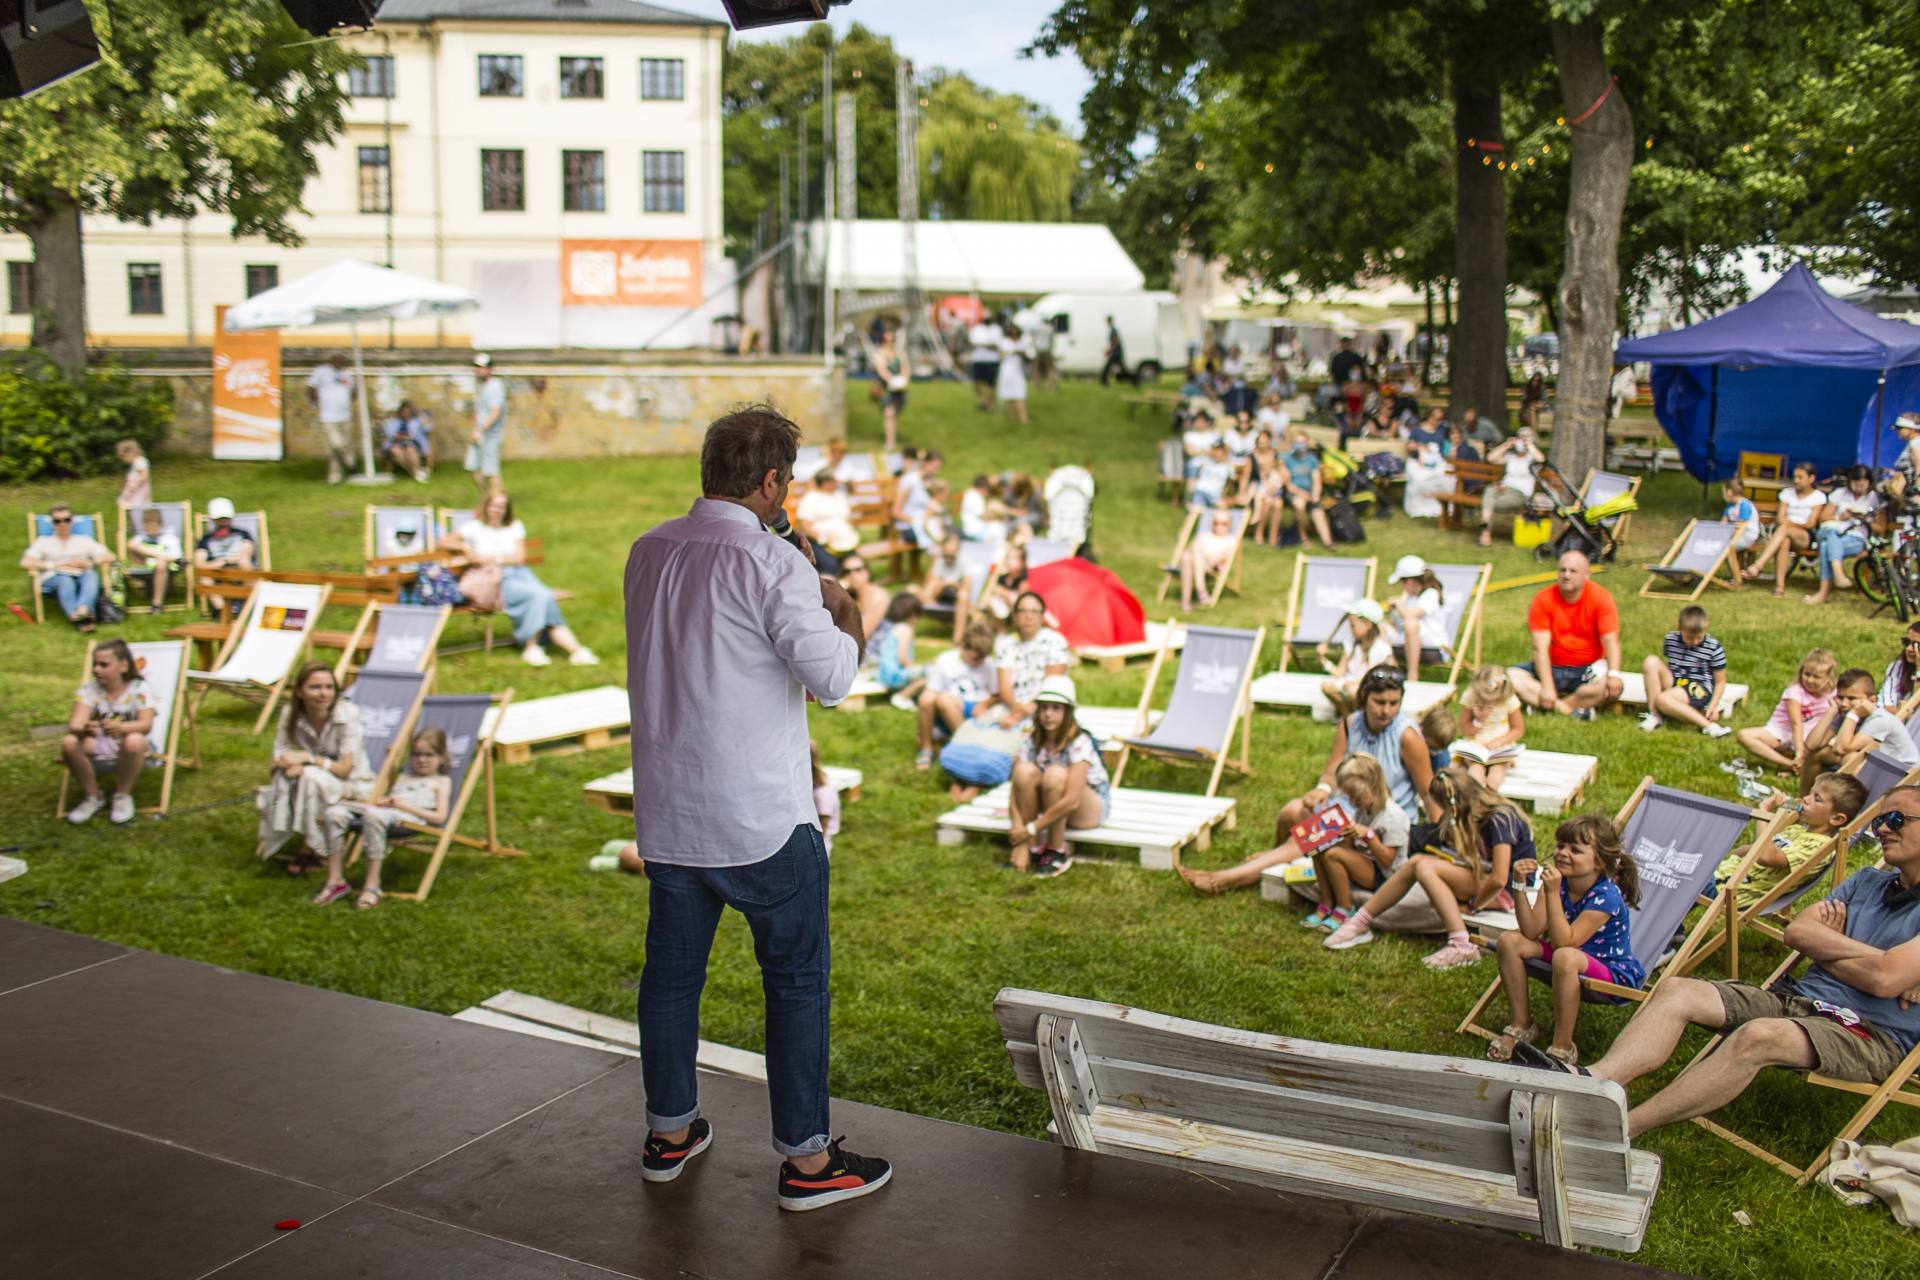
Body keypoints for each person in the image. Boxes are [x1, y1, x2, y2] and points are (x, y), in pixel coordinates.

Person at [621, 403, 889, 1210]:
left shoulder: (648, 550)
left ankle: (670, 1132)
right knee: (797, 983)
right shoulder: (778, 567)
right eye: (787, 482)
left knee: (670, 981)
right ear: (771, 482)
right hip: (761, 819)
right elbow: (836, 678)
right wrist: (836, 601)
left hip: (670, 810)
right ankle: (809, 1164)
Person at [1557, 785, 1920, 1139]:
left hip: (1867, 1032)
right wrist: (1874, 958)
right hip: (1794, 1000)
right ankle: (1592, 1082)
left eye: (1896, 819)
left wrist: (1833, 950)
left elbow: (1883, 981)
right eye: (1880, 821)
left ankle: (1619, 1130)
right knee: (1676, 989)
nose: (1883, 828)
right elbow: (1798, 933)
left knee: (1759, 1035)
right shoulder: (1867, 881)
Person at [1324, 765, 1534, 967]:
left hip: (1510, 891)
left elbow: (1499, 878)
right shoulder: (1475, 816)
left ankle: (1462, 945)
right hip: (1486, 880)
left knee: (1425, 867)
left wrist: (1473, 905)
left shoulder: (1500, 819)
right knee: (1417, 862)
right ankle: (1360, 921)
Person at [1487, 814, 1643, 1067]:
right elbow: (1530, 930)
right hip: (1568, 957)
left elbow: (1564, 943)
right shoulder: (1558, 883)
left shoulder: (1606, 896)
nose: (1562, 853)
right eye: (1560, 846)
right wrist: (1519, 884)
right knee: (1509, 941)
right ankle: (1521, 1025)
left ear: (1599, 862)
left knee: (1564, 956)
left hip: (1609, 971)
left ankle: (1563, 1045)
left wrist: (1550, 893)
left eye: (1575, 850)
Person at [1274, 667, 1439, 846]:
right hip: (1347, 809)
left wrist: (1438, 836)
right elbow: (1332, 771)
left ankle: (1273, 862)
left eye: (1394, 703)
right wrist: (1323, 788)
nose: (1386, 710)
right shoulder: (1350, 724)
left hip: (1384, 822)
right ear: (1364, 698)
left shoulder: (1408, 736)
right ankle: (1277, 868)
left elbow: (1427, 792)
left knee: (1318, 838)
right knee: (1290, 813)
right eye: (1379, 702)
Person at [441, 492, 598, 668]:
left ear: (507, 509)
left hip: (520, 573)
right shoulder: (473, 527)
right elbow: (445, 542)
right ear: (486, 506)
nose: (497, 510)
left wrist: (490, 558)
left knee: (544, 596)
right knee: (540, 596)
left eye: (501, 507)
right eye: (494, 506)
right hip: (495, 579)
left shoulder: (514, 526)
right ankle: (535, 647)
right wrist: (465, 547)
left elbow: (519, 557)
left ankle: (572, 651)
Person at [315, 727, 452, 910]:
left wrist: (403, 806)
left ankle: (372, 887)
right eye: (416, 754)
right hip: (386, 813)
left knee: (373, 816)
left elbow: (440, 817)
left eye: (429, 754)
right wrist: (384, 801)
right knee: (334, 813)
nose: (422, 760)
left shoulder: (441, 781)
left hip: (409, 819)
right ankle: (335, 881)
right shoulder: (403, 776)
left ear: (442, 757)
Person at [258, 662, 374, 875]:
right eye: (315, 687)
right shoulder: (290, 714)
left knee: (309, 777)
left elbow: (345, 769)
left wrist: (308, 759)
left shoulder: (346, 714)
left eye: (329, 687)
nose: (323, 694)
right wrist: (288, 765)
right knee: (294, 777)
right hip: (315, 778)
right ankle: (309, 846)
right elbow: (277, 758)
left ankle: (312, 849)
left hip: (352, 783)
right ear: (300, 692)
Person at [1713, 775, 1873, 916]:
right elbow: (1756, 849)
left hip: (1737, 891)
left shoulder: (1819, 848)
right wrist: (1729, 856)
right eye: (1810, 793)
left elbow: (1765, 856)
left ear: (1837, 819)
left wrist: (1765, 814)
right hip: (1727, 874)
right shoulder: (1797, 829)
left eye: (1817, 799)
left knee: (1690, 879)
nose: (1806, 799)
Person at [1008, 675, 1110, 878]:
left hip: (1086, 807)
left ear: (1068, 712)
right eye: (1044, 707)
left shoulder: (1080, 742)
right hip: (1050, 805)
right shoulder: (1031, 739)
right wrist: (1019, 835)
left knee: (1055, 774)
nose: (1048, 714)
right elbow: (1015, 790)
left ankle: (1056, 849)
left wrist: (1029, 829)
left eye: (1056, 708)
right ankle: (1032, 847)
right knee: (1024, 771)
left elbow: (1072, 801)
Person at [1508, 549, 1623, 720]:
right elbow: (1539, 648)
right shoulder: (1543, 599)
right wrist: (1547, 686)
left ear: (1587, 575)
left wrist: (1613, 675)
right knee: (1509, 677)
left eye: (1573, 571)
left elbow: (1611, 641)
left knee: (1610, 685)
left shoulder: (1601, 598)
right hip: (1552, 667)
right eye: (1562, 570)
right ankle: (1572, 711)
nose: (1566, 575)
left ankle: (1548, 707)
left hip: (1588, 669)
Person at [59, 639, 153, 826]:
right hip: (95, 747)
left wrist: (121, 728)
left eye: (104, 665)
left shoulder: (138, 689)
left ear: (123, 666)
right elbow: (74, 724)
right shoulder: (89, 690)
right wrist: (85, 727)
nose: (96, 669)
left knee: (134, 739)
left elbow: (146, 724)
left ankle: (122, 795)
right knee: (69, 742)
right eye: (95, 664)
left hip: (129, 749)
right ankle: (92, 797)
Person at [1798, 667, 1920, 795]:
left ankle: (1843, 809)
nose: (1844, 703)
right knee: (1818, 753)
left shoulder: (1879, 719)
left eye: (1851, 698)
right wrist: (1832, 711)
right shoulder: (1845, 714)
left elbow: (1842, 748)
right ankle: (1803, 802)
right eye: (1840, 697)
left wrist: (1854, 713)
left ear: (1872, 700)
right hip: (1880, 768)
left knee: (1850, 758)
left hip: (1903, 776)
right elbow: (1811, 745)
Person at [916, 619, 1000, 771]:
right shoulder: (946, 660)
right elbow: (932, 690)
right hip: (948, 706)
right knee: (928, 699)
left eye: (982, 658)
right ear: (963, 646)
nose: (977, 662)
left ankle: (967, 748)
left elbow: (997, 694)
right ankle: (926, 747)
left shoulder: (988, 664)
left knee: (944, 700)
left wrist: (984, 705)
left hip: (975, 707)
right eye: (975, 658)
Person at [1736, 648, 1837, 773]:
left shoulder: (1833, 693)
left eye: (1816, 677)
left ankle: (1807, 764)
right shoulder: (1794, 693)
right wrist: (1799, 752)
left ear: (1828, 678)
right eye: (1807, 674)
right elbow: (1796, 723)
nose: (1810, 680)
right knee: (1744, 736)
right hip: (1783, 731)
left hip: (1811, 733)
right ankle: (1790, 764)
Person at [1638, 604, 1732, 738]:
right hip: (1677, 679)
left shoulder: (1713, 647)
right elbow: (1671, 663)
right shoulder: (1670, 639)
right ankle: (1654, 715)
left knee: (1663, 699)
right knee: (1650, 661)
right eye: (1689, 638)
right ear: (1679, 628)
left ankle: (1709, 727)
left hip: (1698, 687)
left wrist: (1713, 706)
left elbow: (1720, 681)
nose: (1694, 642)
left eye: (1698, 638)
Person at [20, 502, 113, 632]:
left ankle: (82, 611)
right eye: (57, 521)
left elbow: (109, 556)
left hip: (81, 573)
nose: (62, 524)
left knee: (90, 574)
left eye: (66, 520)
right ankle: (78, 617)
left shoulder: (83, 540)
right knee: (65, 580)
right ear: (52, 523)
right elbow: (25, 562)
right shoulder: (43, 541)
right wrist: (55, 565)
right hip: (54, 576)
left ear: (72, 521)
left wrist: (88, 563)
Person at [1743, 462, 1826, 597]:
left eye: (1800, 477)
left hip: (1805, 537)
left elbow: (1811, 523)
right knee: (1784, 540)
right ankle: (1779, 588)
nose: (1796, 480)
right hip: (1785, 534)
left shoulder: (1818, 497)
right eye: (1795, 477)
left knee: (1784, 529)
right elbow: (1779, 518)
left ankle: (1758, 565)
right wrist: (1789, 524)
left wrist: (1789, 524)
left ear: (1811, 478)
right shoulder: (1787, 493)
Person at [991, 590, 1071, 727]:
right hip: (1011, 709)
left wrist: (1019, 715)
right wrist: (1016, 709)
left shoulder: (1056, 642)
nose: (1029, 616)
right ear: (1015, 616)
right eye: (1023, 611)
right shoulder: (1006, 644)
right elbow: (1004, 688)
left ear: (1042, 616)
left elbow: (1051, 685)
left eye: (1035, 611)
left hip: (1047, 710)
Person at [1805, 465, 1882, 605]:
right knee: (1830, 535)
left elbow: (1881, 528)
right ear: (1849, 482)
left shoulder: (1874, 499)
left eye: (1863, 485)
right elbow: (1823, 517)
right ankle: (1838, 574)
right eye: (1856, 485)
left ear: (1870, 483)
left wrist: (1864, 520)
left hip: (1856, 537)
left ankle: (1824, 592)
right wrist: (1841, 517)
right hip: (1834, 530)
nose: (1859, 489)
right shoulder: (1840, 493)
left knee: (1825, 546)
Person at [1316, 599, 1394, 718]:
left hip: (1369, 687)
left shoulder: (1381, 649)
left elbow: (1374, 677)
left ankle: (1361, 718)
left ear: (1368, 625)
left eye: (1353, 625)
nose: (1350, 629)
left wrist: (1355, 683)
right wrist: (1322, 659)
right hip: (1349, 684)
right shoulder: (1351, 643)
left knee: (1354, 691)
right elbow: (1340, 671)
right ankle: (1348, 716)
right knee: (1326, 685)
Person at [1451, 664, 1526, 789]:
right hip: (1475, 745)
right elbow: (1465, 728)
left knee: (1497, 771)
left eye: (1492, 701)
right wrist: (1479, 721)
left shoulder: (1509, 699)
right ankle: (1478, 797)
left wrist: (1500, 741)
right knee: (1476, 770)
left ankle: (1491, 796)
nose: (1486, 703)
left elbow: (1518, 729)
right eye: (1482, 698)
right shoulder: (1471, 696)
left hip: (1500, 747)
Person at [1383, 555, 1446, 681]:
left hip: (1431, 648)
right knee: (1380, 626)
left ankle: (1412, 675)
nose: (1402, 587)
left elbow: (1410, 617)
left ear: (1409, 582)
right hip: (1404, 643)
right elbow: (1399, 625)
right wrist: (1394, 615)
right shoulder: (1410, 597)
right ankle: (1391, 673)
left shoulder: (1430, 594)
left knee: (1410, 624)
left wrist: (1399, 604)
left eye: (1401, 582)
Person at [194, 497, 257, 620]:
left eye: (226, 518)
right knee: (204, 575)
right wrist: (219, 564)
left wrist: (225, 561)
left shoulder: (242, 534)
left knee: (245, 564)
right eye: (220, 519)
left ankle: (246, 605)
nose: (223, 521)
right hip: (217, 572)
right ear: (213, 519)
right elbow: (199, 563)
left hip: (239, 570)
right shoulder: (207, 539)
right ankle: (222, 609)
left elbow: (246, 554)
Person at [1477, 428, 1539, 548]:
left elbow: (1541, 459)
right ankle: (1485, 531)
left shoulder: (1532, 458)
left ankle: (1485, 530)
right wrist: (1506, 445)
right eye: (1521, 437)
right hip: (1503, 489)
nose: (1523, 439)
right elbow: (1491, 458)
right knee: (1489, 490)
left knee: (1489, 503)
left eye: (1526, 437)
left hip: (1520, 494)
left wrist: (1530, 445)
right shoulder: (1511, 457)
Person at [793, 471, 859, 577]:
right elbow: (805, 525)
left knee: (856, 563)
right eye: (832, 481)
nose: (836, 483)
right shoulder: (811, 498)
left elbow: (847, 519)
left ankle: (853, 589)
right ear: (823, 483)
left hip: (844, 541)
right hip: (820, 542)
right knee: (831, 565)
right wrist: (823, 537)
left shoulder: (839, 496)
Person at [868, 592, 926, 709]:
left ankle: (909, 694)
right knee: (930, 674)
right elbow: (902, 658)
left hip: (883, 674)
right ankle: (902, 696)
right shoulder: (905, 629)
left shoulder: (895, 628)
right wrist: (916, 667)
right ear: (913, 614)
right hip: (894, 676)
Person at [306, 352, 356, 484]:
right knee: (337, 444)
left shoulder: (348, 374)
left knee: (339, 447)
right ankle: (350, 464)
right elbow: (310, 387)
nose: (340, 362)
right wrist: (317, 403)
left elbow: (353, 392)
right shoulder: (321, 371)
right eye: (337, 360)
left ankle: (335, 476)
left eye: (342, 360)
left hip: (345, 415)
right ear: (331, 360)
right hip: (328, 417)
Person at [1280, 429, 1334, 548]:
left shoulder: (1312, 460)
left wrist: (1315, 494)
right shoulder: (1287, 460)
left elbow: (1316, 480)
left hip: (1310, 493)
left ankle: (1329, 542)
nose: (1299, 445)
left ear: (1307, 443)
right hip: (1295, 493)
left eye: (1302, 442)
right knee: (1300, 504)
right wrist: (1303, 494)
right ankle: (1303, 536)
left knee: (1318, 512)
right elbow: (1288, 485)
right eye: (1297, 442)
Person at [125, 506, 183, 614]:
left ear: (161, 525)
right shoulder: (139, 539)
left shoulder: (170, 539)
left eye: (154, 525)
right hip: (143, 565)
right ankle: (161, 556)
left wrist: (159, 558)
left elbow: (176, 558)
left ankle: (157, 604)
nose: (151, 528)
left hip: (165, 567)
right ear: (143, 525)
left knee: (160, 563)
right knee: (132, 544)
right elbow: (133, 556)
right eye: (147, 525)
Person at [1178, 509, 1239, 612]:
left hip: (1210, 565)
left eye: (1224, 523)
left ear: (1229, 525)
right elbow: (1191, 550)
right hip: (1195, 562)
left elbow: (1223, 558)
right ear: (1212, 524)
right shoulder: (1204, 536)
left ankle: (1187, 601)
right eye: (1216, 523)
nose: (1219, 526)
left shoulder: (1230, 541)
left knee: (1190, 555)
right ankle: (1200, 592)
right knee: (1187, 556)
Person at [465, 353, 506, 499]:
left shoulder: (494, 386)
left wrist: (481, 430)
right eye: (477, 367)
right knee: (473, 467)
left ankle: (498, 501)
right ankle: (487, 499)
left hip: (490, 436)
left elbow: (495, 412)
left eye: (483, 368)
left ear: (490, 369)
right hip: (479, 434)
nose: (479, 371)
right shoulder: (482, 387)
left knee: (491, 471)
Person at [837, 554, 890, 639]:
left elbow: (863, 634)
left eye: (858, 570)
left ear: (867, 572)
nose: (852, 575)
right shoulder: (849, 596)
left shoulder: (878, 597)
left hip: (878, 646)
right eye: (847, 571)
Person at [873, 327, 908, 451]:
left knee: (894, 414)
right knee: (889, 414)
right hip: (886, 389)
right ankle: (890, 442)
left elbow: (905, 368)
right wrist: (892, 380)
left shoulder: (899, 353)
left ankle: (892, 437)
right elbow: (881, 369)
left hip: (899, 389)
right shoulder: (880, 353)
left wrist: (903, 380)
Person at [382, 400, 433, 482]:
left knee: (410, 448)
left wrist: (422, 418)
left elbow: (428, 429)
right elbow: (388, 432)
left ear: (411, 412)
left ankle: (416, 473)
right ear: (400, 412)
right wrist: (395, 436)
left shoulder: (417, 421)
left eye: (408, 411)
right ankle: (416, 473)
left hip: (412, 442)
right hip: (396, 442)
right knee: (395, 451)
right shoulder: (394, 421)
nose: (406, 413)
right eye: (404, 411)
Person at [1722, 478, 1761, 575]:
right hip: (1736, 535)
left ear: (1729, 492)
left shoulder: (1745, 505)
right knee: (1723, 546)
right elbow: (1723, 523)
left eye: (1724, 492)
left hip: (1747, 535)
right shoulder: (1729, 506)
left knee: (1727, 548)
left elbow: (1741, 526)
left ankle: (1736, 576)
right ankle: (1736, 573)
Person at [997, 322, 1033, 425]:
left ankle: (1024, 418)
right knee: (1009, 395)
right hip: (1007, 370)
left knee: (1020, 393)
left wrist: (1021, 353)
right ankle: (1012, 418)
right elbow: (1001, 356)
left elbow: (1028, 355)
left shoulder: (1022, 342)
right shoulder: (1004, 342)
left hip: (1018, 370)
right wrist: (1011, 352)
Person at [983, 542, 1028, 620]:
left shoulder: (1024, 579)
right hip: (1000, 612)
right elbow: (990, 590)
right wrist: (995, 574)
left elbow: (1019, 599)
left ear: (1022, 563)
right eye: (1008, 558)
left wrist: (1003, 593)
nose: (1009, 561)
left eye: (1014, 559)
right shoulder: (1001, 576)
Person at [1881, 622, 1920, 711]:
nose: (1909, 649)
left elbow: (1915, 708)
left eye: (1917, 645)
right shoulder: (1898, 667)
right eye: (1907, 642)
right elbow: (1888, 705)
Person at [1187, 440, 1235, 510]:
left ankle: (1199, 509)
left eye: (1219, 450)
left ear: (1224, 451)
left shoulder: (1228, 467)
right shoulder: (1206, 462)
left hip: (1215, 495)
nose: (1217, 453)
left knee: (1219, 508)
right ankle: (1199, 509)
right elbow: (1193, 464)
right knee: (1197, 508)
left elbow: (1231, 484)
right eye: (1215, 450)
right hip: (1201, 491)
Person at [968, 318, 1003, 410]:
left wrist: (982, 345)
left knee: (991, 383)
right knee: (977, 382)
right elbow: (972, 343)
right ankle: (983, 401)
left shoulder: (997, 329)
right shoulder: (976, 329)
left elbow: (997, 346)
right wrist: (987, 345)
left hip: (992, 360)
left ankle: (990, 403)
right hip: (978, 360)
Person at [115, 438, 151, 509]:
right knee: (125, 504)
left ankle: (136, 518)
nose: (124, 460)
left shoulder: (139, 461)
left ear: (130, 453)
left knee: (137, 507)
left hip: (139, 491)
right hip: (134, 491)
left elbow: (145, 475)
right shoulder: (135, 463)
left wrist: (136, 484)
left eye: (123, 457)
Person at [1099, 314, 1128, 386]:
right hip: (1116, 353)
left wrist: (1109, 350)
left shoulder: (1113, 330)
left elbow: (1115, 342)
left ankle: (1104, 381)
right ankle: (1134, 379)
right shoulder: (1113, 330)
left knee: (1106, 368)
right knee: (1122, 369)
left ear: (1109, 321)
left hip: (1116, 353)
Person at [1031, 318, 1058, 392]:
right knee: (1050, 369)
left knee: (1037, 369)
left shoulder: (1037, 327)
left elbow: (1033, 338)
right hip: (1047, 349)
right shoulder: (1050, 328)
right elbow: (1052, 340)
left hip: (1038, 349)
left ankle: (1036, 387)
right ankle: (1052, 387)